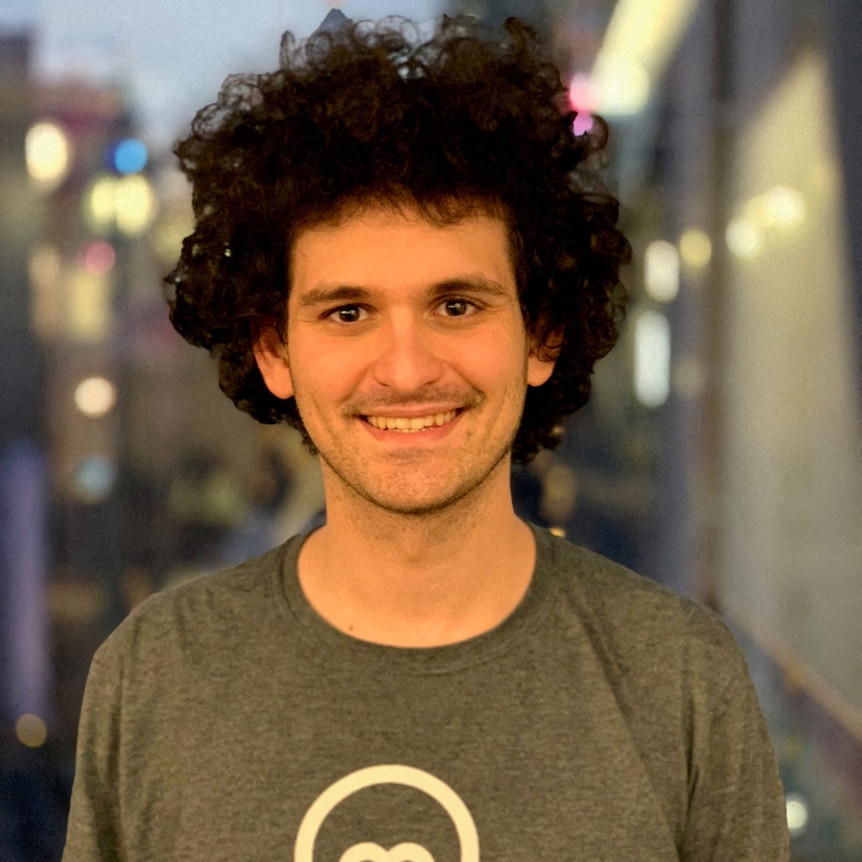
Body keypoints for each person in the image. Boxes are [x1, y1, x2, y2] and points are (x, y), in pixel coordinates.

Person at [62, 14, 789, 861]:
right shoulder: (155, 679)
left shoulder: (681, 681)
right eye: (347, 312)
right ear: (274, 350)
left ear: (542, 334)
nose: (405, 370)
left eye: (456, 305)